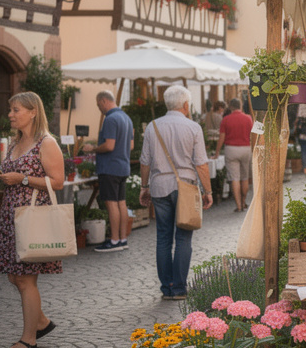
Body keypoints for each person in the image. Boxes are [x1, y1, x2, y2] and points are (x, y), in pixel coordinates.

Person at [0, 92, 61, 348]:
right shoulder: (16, 142)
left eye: (16, 109)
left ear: (33, 112)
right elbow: (10, 182)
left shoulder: (46, 143)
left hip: (32, 214)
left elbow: (58, 181)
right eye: (10, 109)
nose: (10, 114)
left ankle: (29, 341)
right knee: (14, 276)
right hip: (11, 214)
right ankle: (41, 322)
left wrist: (23, 179)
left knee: (26, 279)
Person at [141, 85, 213, 301]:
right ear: (185, 105)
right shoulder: (193, 127)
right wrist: (207, 191)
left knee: (163, 238)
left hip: (160, 186)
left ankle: (166, 287)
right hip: (186, 187)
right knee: (183, 238)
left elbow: (145, 161)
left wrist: (144, 187)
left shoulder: (152, 127)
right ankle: (179, 288)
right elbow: (201, 163)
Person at [84, 90, 133, 252]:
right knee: (121, 203)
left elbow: (109, 145)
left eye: (99, 105)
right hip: (123, 166)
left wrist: (93, 149)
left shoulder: (110, 119)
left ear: (104, 101)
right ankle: (123, 239)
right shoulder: (127, 118)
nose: (100, 109)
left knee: (111, 204)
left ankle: (113, 241)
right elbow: (131, 146)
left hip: (110, 167)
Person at [216, 98, 254, 212]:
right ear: (240, 106)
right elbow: (252, 135)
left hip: (231, 149)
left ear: (231, 107)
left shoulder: (226, 119)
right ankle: (244, 202)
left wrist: (217, 152)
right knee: (245, 177)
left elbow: (221, 137)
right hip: (246, 148)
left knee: (235, 178)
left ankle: (238, 205)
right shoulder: (248, 118)